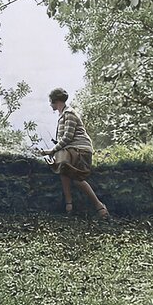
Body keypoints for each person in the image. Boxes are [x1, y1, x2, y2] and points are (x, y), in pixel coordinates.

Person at [40, 88, 109, 218]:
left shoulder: (69, 114)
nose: (50, 104)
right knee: (62, 168)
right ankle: (69, 205)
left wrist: (51, 150)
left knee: (77, 179)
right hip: (72, 149)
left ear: (56, 101)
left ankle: (99, 206)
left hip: (81, 150)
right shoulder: (62, 115)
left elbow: (68, 138)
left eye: (51, 101)